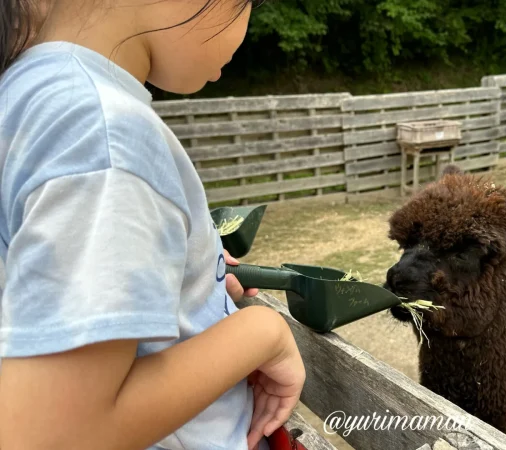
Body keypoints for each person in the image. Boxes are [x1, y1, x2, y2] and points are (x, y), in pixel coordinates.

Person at [0, 1, 306, 449]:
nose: (246, 31)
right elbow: (58, 435)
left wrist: (186, 276)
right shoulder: (105, 135)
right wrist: (264, 335)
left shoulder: (28, 94)